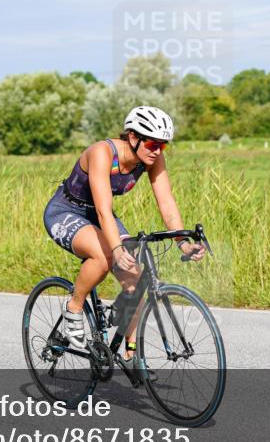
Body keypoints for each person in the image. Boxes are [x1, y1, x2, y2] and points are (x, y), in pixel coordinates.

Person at [42, 106, 205, 373]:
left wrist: (182, 242)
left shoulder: (152, 158)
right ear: (132, 137)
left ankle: (130, 354)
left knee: (136, 280)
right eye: (152, 143)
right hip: (66, 211)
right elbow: (104, 209)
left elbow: (166, 203)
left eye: (163, 146)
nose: (157, 151)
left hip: (97, 214)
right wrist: (116, 248)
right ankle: (74, 306)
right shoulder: (102, 153)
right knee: (106, 255)